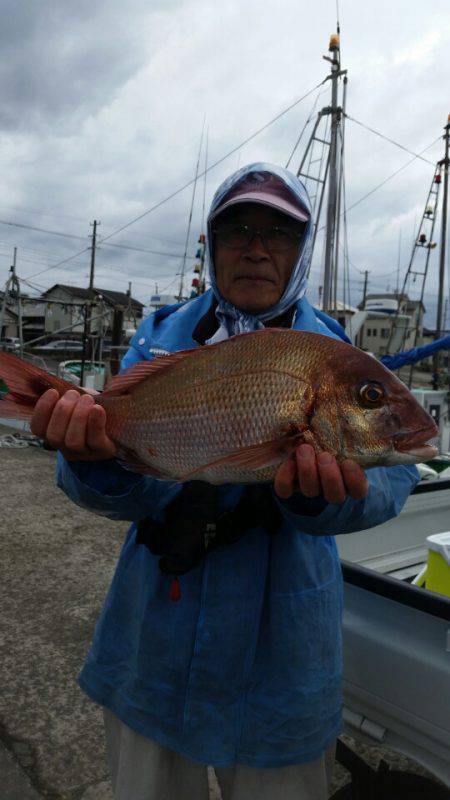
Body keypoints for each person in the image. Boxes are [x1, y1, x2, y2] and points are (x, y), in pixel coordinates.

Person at [31, 163, 419, 800]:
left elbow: (393, 479)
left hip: (283, 666)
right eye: (236, 230)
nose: (258, 248)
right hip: (154, 642)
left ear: (301, 250)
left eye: (280, 233)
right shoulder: (160, 342)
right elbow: (130, 486)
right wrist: (96, 459)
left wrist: (322, 501)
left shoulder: (336, 353)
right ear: (210, 245)